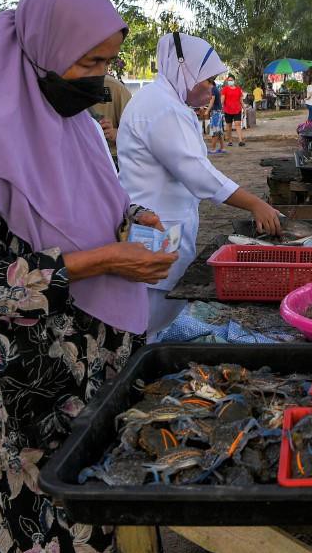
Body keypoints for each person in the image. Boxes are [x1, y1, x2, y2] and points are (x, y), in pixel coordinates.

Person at [0, 0, 178, 553]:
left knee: (112, 503)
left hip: (101, 359)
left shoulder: (77, 126)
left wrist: (134, 219)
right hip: (32, 376)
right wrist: (106, 260)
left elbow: (101, 205)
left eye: (109, 63)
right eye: (89, 61)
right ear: (43, 47)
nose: (99, 77)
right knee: (51, 514)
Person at [118, 32, 283, 339]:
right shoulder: (161, 108)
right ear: (185, 71)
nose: (212, 88)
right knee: (146, 317)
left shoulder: (167, 103)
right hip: (155, 228)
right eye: (207, 80)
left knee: (156, 314)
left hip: (165, 224)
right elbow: (198, 174)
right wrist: (254, 203)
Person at [91, 73, 132, 169]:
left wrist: (114, 133)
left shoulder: (114, 88)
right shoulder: (61, 87)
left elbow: (136, 134)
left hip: (110, 160)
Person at [222, 75, 245, 146]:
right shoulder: (225, 89)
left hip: (237, 109)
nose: (230, 81)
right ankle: (230, 141)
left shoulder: (238, 89)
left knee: (238, 124)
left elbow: (241, 100)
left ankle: (240, 141)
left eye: (231, 80)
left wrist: (244, 108)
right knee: (229, 126)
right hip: (227, 110)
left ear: (234, 81)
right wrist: (220, 107)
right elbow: (222, 99)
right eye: (229, 80)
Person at [206, 80, 226, 154]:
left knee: (215, 132)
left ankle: (213, 148)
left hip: (216, 113)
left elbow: (211, 101)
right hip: (218, 112)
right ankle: (222, 148)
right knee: (219, 131)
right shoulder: (215, 89)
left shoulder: (213, 89)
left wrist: (207, 110)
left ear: (209, 82)